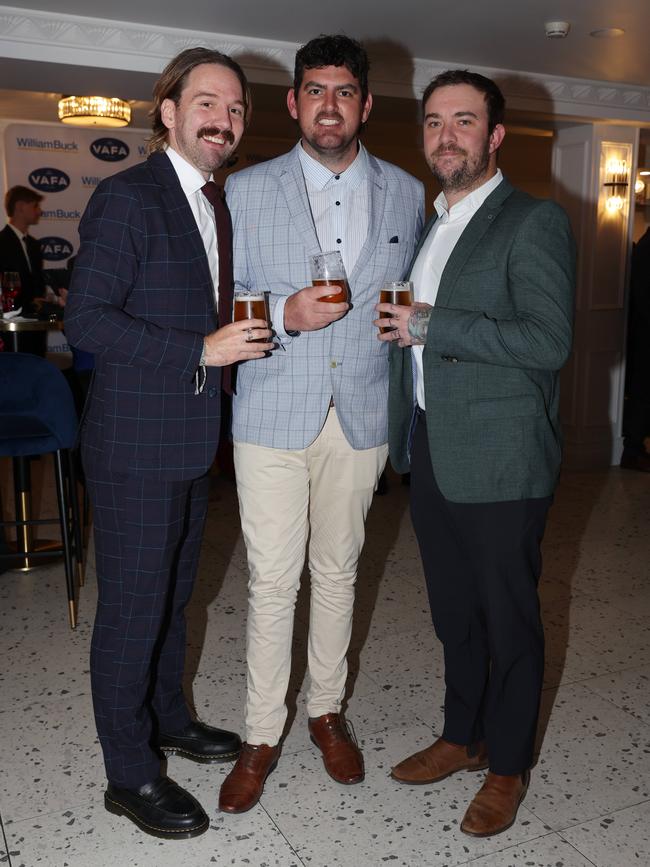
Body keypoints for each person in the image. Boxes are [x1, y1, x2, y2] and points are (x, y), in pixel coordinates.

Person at [65, 47, 274, 840]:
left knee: (173, 595)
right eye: (209, 104)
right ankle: (129, 771)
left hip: (190, 441)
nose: (225, 120)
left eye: (237, 108)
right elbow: (87, 321)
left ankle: (168, 717)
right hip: (133, 447)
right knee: (131, 610)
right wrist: (201, 351)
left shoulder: (212, 203)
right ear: (169, 111)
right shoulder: (130, 197)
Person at [218, 34, 424, 813]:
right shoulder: (242, 191)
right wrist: (284, 312)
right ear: (293, 101)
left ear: (365, 104)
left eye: (344, 92)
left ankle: (325, 710)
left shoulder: (407, 192)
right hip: (271, 408)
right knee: (274, 578)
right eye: (315, 90)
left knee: (340, 571)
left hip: (363, 412)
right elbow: (221, 297)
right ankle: (259, 732)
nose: (329, 105)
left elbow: (409, 287)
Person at [376, 69, 575, 837]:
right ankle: (462, 737)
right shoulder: (431, 224)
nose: (445, 135)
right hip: (432, 446)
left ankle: (507, 766)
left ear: (494, 136)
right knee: (454, 614)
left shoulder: (533, 221)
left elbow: (548, 341)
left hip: (501, 459)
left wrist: (428, 326)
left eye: (463, 121)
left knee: (510, 619)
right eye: (433, 122)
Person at [621, 227, 650, 471]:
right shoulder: (647, 248)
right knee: (643, 394)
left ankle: (635, 448)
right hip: (645, 336)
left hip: (642, 334)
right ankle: (633, 450)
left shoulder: (644, 245)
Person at [0, 185, 46, 314]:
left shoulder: (34, 245)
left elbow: (38, 285)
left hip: (37, 324)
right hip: (9, 324)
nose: (39, 211)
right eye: (35, 206)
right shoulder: (1, 243)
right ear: (20, 206)